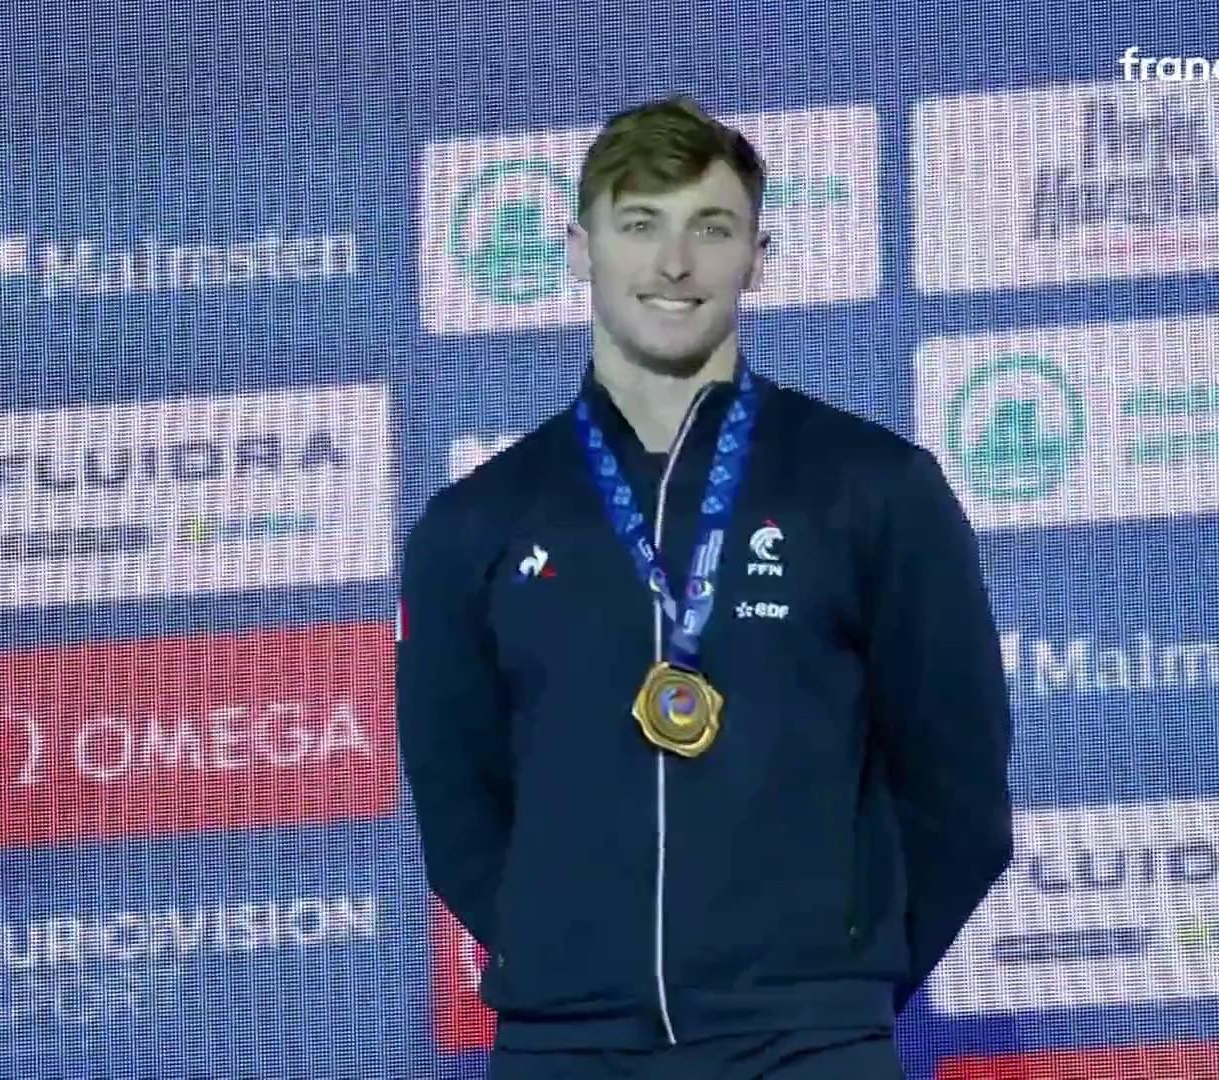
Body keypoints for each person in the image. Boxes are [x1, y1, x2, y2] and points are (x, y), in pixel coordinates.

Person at [396, 94, 1015, 1079]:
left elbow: (961, 797)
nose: (673, 265)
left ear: (756, 256)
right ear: (577, 246)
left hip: (809, 1046)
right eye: (639, 224)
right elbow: (458, 802)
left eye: (710, 229)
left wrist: (835, 975)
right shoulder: (477, 521)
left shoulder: (873, 488)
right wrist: (561, 960)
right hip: (565, 1048)